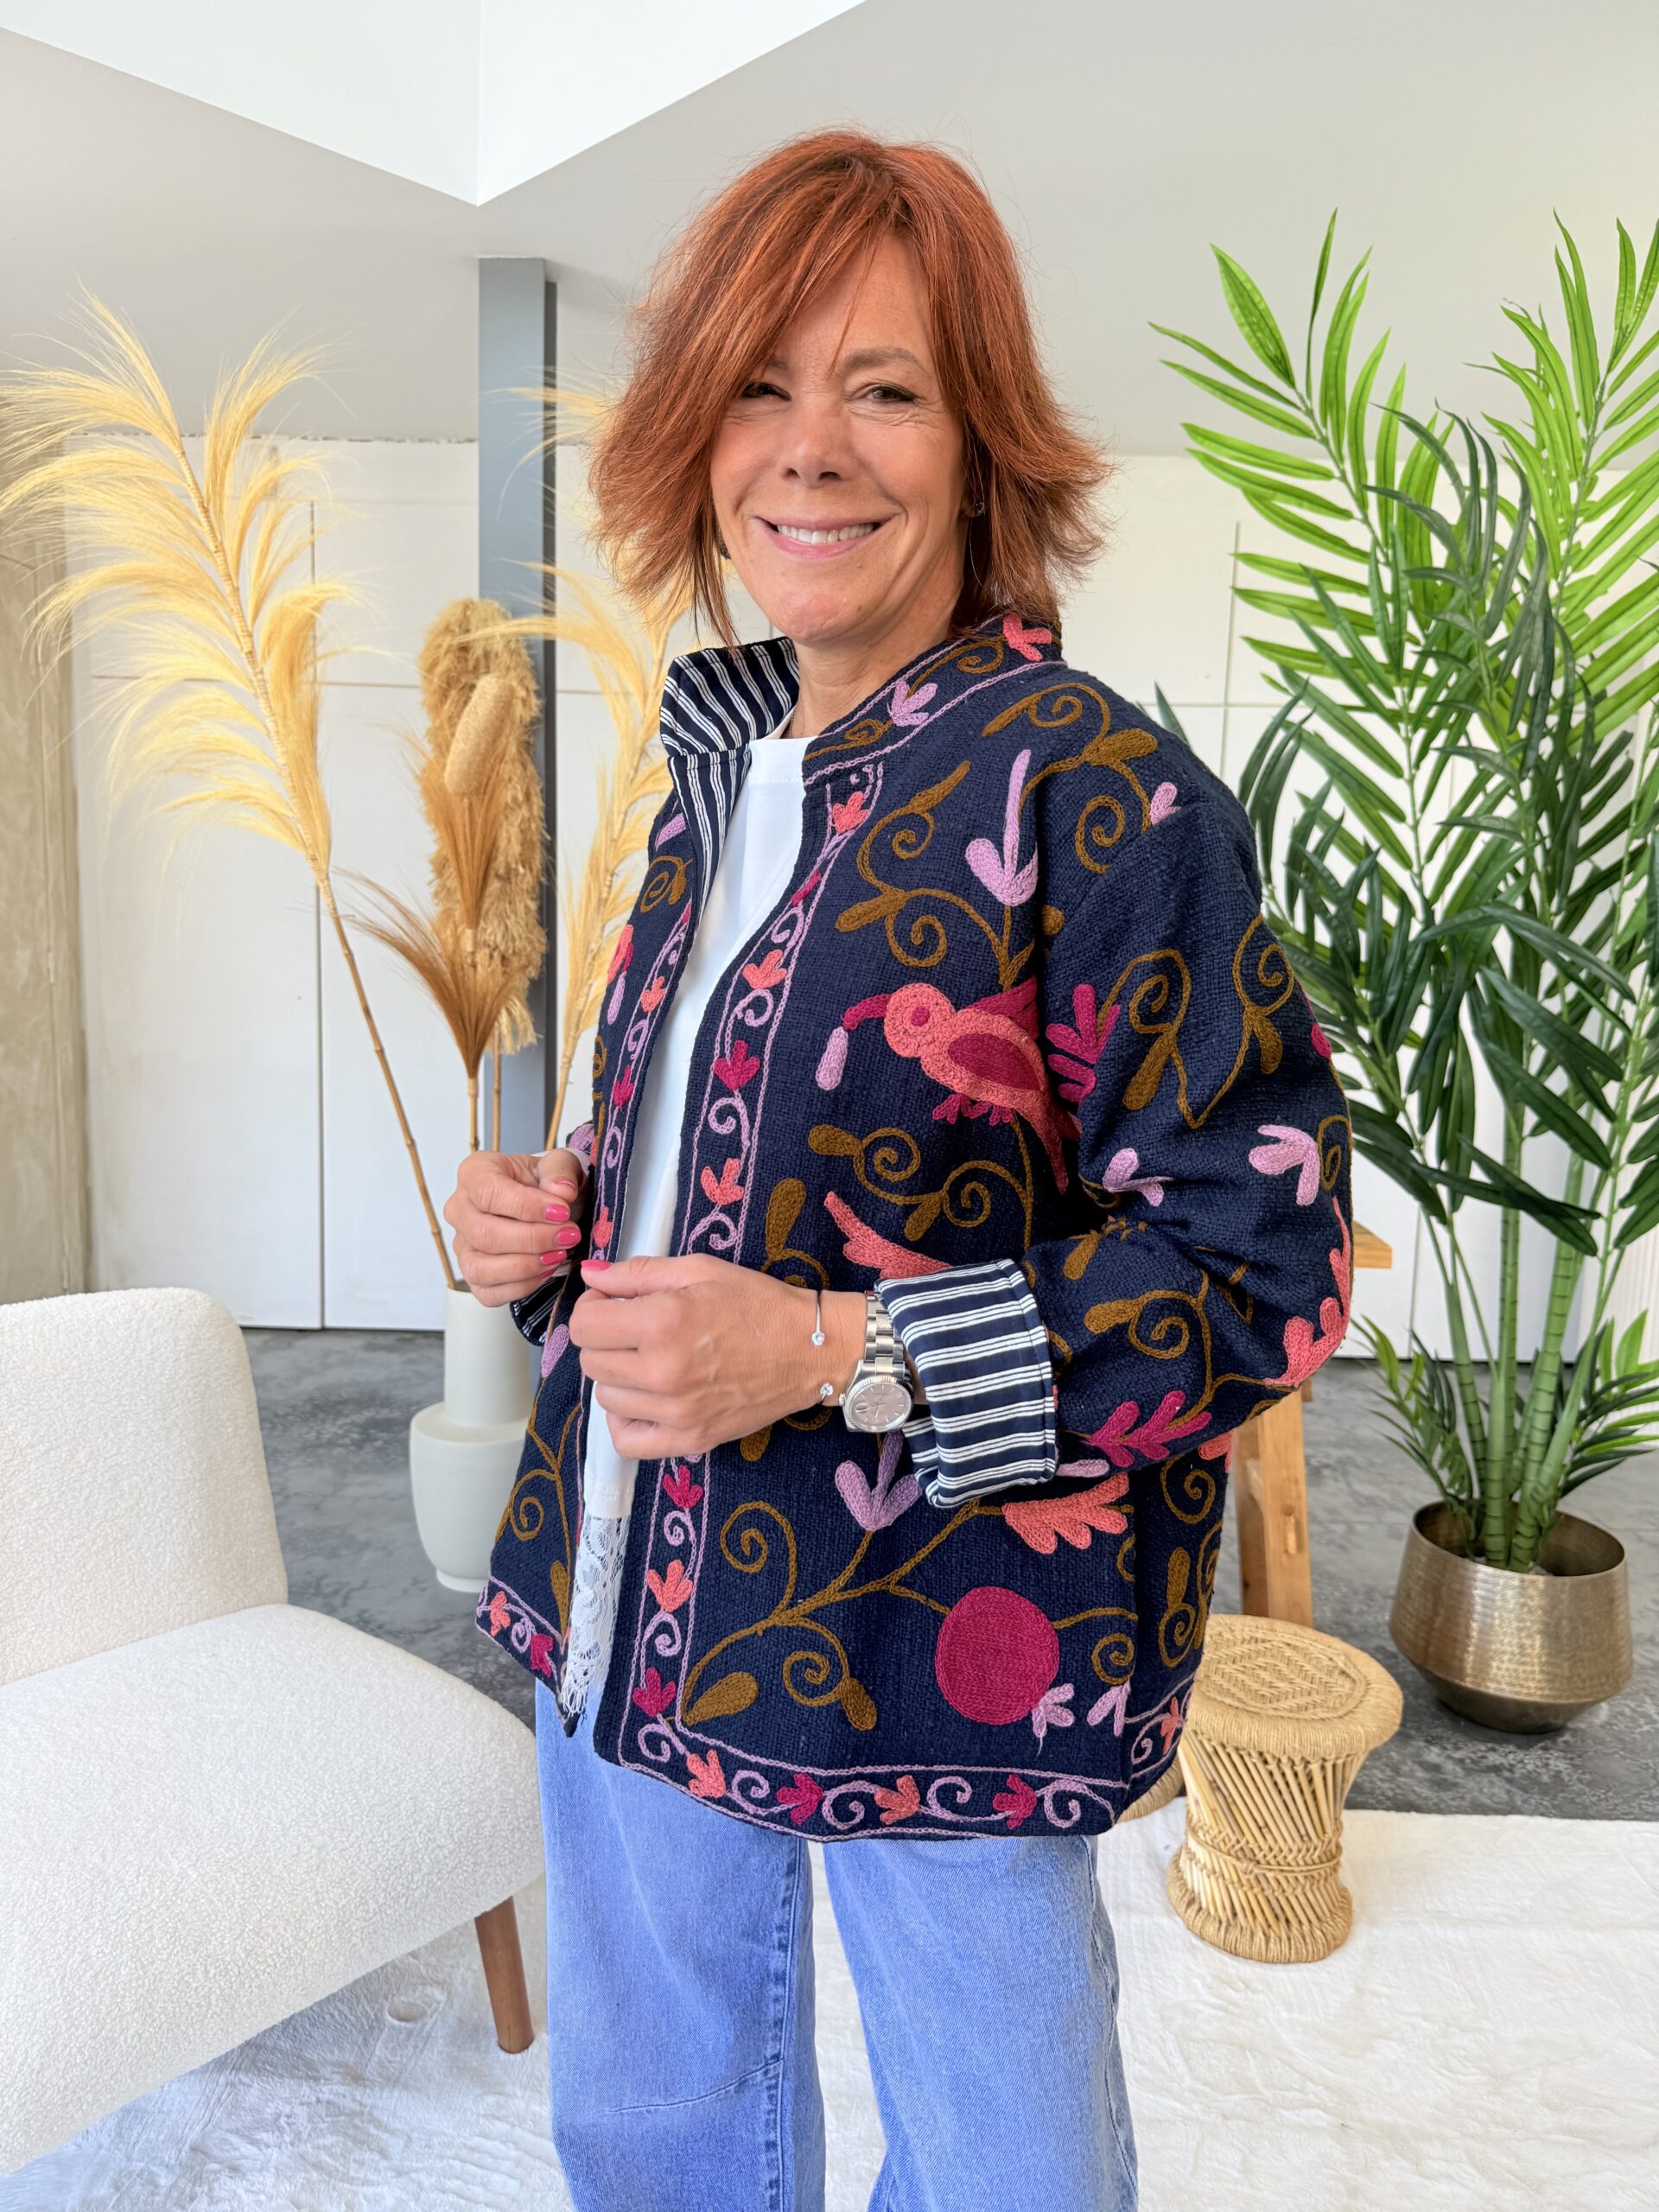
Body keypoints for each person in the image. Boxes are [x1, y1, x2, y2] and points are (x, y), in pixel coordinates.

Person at [446, 128, 1353, 2212]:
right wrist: (557, 1216)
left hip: (951, 1638)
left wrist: (829, 1349)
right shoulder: (712, 777)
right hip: (630, 1595)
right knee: (652, 2133)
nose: (810, 448)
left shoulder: (1101, 791)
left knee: (1011, 2165)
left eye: (885, 388)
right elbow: (736, 1154)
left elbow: (1263, 1261)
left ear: (982, 440)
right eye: (759, 385)